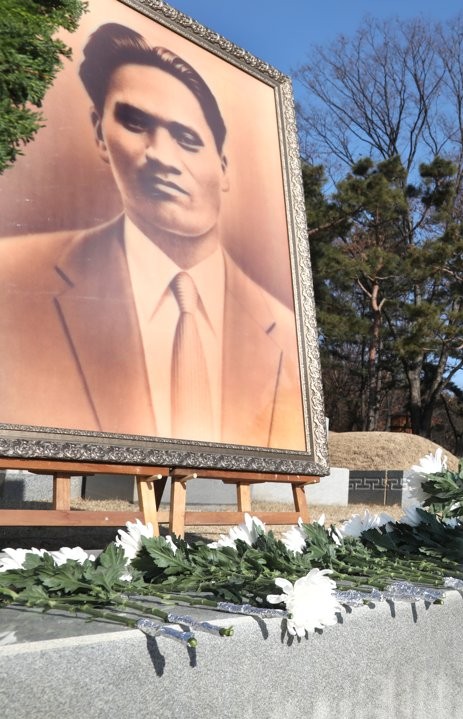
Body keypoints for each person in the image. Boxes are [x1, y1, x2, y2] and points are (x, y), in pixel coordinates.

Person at [0, 23, 304, 450]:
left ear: (223, 167)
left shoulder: (288, 334)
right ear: (99, 134)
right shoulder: (11, 277)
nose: (161, 156)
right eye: (136, 123)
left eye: (186, 137)